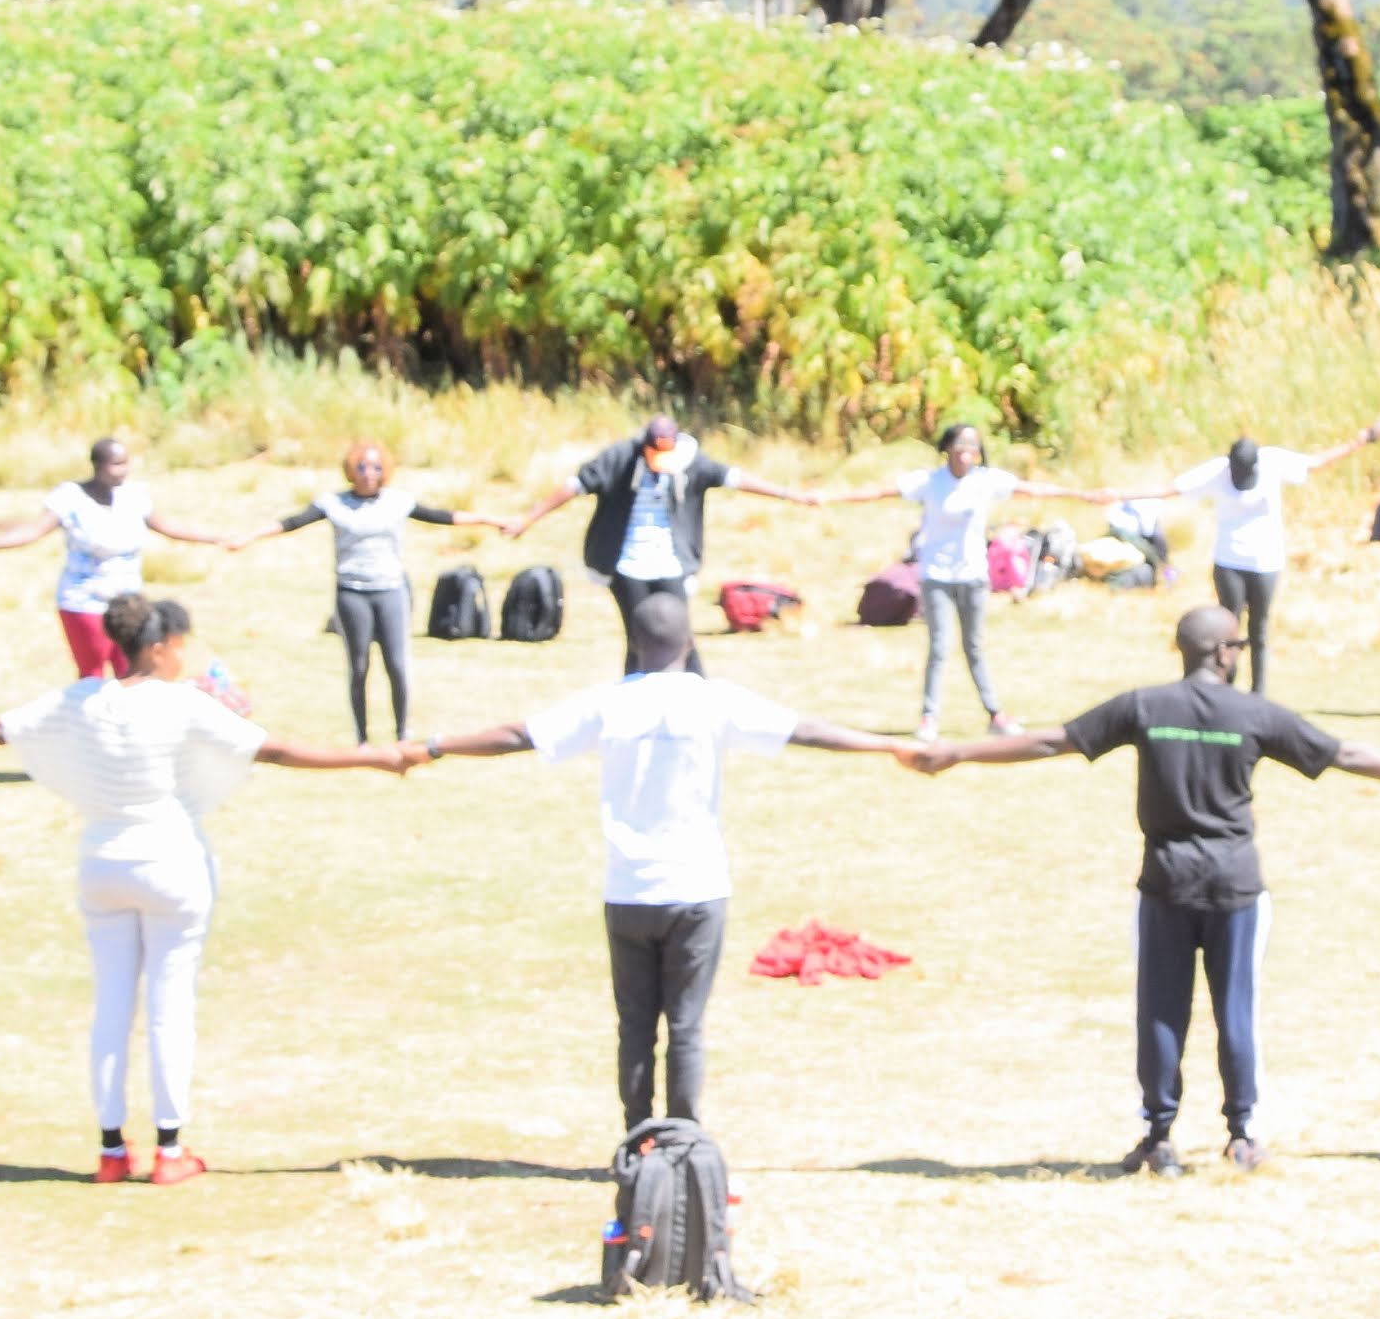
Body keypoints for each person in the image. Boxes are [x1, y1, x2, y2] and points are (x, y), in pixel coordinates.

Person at [0, 595, 422, 1184]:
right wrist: (372, 758)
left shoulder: (82, 699)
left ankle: (111, 1151)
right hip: (172, 863)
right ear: (158, 647)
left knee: (112, 1008)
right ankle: (170, 1150)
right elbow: (273, 750)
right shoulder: (181, 702)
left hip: (102, 864)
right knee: (171, 1008)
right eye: (179, 646)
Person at [914, 600, 1380, 1173]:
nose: (1239, 655)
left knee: (1160, 1011)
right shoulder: (1252, 713)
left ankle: (1157, 1137)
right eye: (1238, 646)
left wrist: (957, 753)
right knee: (1236, 1011)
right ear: (1222, 653)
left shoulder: (1144, 706)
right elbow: (1343, 754)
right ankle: (1242, 1135)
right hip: (1235, 888)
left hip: (1164, 885)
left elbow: (1052, 741)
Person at [426, 584, 910, 1132]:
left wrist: (434, 747)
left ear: (633, 644)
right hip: (697, 890)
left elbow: (519, 735)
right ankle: (683, 1138)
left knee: (634, 1026)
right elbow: (807, 731)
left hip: (629, 892)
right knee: (686, 1027)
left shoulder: (609, 703)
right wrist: (889, 745)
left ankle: (637, 1135)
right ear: (690, 642)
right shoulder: (713, 701)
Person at [502, 413, 819, 671]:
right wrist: (527, 520)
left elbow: (735, 478)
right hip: (627, 564)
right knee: (637, 637)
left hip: (671, 562)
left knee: (682, 637)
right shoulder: (620, 458)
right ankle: (633, 702)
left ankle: (697, 696)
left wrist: (792, 496)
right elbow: (573, 487)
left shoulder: (689, 461)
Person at [880, 422, 1133, 738]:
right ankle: (929, 718)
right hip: (937, 577)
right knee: (940, 647)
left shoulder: (985, 480)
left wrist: (1083, 496)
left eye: (972, 448)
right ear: (947, 449)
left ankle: (995, 715)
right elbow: (881, 492)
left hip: (973, 577)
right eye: (960, 447)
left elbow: (1034, 490)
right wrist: (828, 497)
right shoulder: (930, 482)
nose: (966, 454)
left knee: (974, 647)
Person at [260, 443, 491, 742]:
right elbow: (292, 522)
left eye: (376, 467)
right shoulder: (334, 503)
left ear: (385, 471)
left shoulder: (398, 501)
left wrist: (491, 520)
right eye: (362, 467)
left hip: (391, 590)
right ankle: (362, 739)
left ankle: (402, 734)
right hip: (352, 593)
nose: (369, 474)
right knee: (359, 666)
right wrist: (245, 537)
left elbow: (442, 516)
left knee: (397, 664)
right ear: (351, 470)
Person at [0, 433, 250, 679]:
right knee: (92, 676)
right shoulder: (71, 498)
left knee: (133, 671)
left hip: (128, 602)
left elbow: (169, 527)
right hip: (84, 601)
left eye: (126, 463)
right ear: (97, 466)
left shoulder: (134, 495)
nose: (123, 471)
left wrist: (216, 538)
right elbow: (33, 530)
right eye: (116, 465)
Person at [1150, 429, 1374, 695]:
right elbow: (1171, 490)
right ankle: (1225, 690)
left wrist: (1358, 442)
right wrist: (1116, 495)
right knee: (1228, 629)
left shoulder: (1273, 461)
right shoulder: (1218, 470)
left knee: (1259, 629)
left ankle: (1258, 694)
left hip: (1265, 561)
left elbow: (1315, 463)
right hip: (1229, 560)